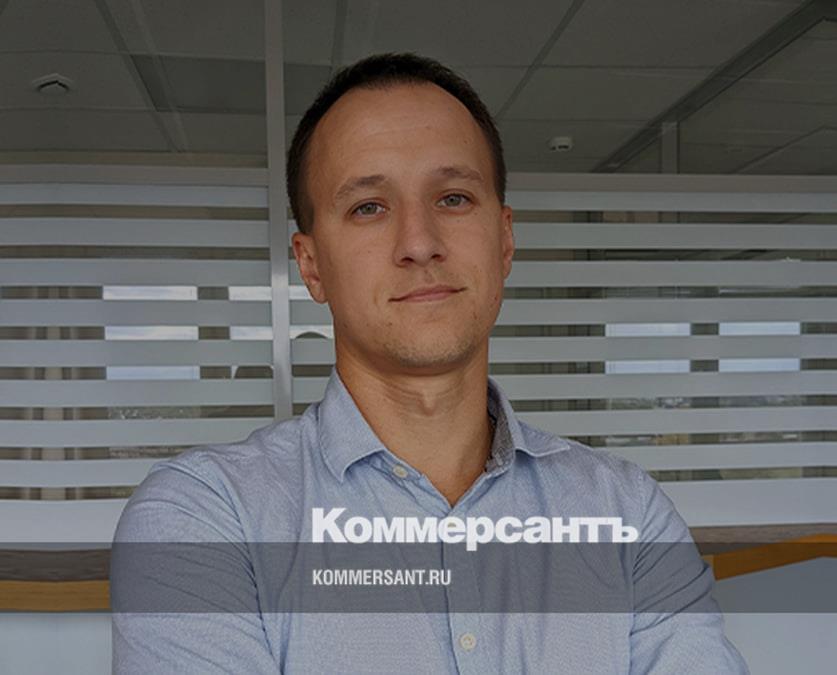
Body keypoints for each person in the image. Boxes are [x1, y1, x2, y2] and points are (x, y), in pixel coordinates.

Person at [111, 52, 748, 673]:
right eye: (368, 207)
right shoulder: (205, 519)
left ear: (504, 240)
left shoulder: (627, 514)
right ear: (311, 265)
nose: (419, 243)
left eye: (453, 198)